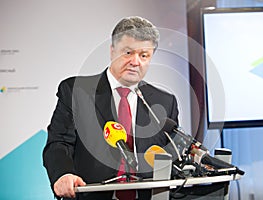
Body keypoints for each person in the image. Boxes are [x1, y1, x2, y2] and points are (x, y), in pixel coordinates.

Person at [43, 16, 179, 200]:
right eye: (128, 52)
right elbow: (59, 143)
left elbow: (171, 157)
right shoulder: (77, 91)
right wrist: (63, 174)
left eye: (143, 55)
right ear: (112, 51)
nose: (135, 61)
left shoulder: (165, 102)